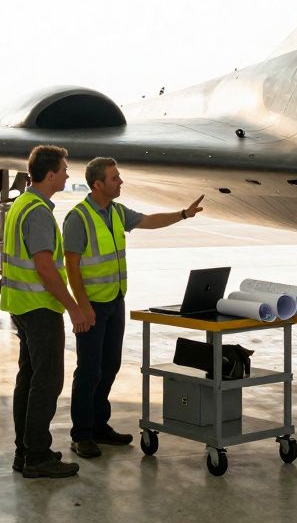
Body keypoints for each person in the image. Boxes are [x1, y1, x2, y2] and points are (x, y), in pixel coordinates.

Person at [63, 157, 204, 459]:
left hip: (115, 302)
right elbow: (71, 266)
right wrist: (82, 307)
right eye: (115, 178)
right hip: (93, 306)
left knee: (109, 366)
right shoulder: (78, 218)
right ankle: (81, 435)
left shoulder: (117, 212)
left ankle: (99, 426)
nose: (121, 182)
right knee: (88, 371)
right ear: (97, 184)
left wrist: (183, 214)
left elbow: (149, 221)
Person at [2, 145, 91, 479]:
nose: (68, 174)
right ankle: (37, 457)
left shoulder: (22, 204)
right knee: (47, 383)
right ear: (50, 174)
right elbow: (45, 268)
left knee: (28, 380)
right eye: (64, 169)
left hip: (22, 305)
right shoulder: (38, 212)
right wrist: (73, 307)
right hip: (39, 307)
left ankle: (25, 452)